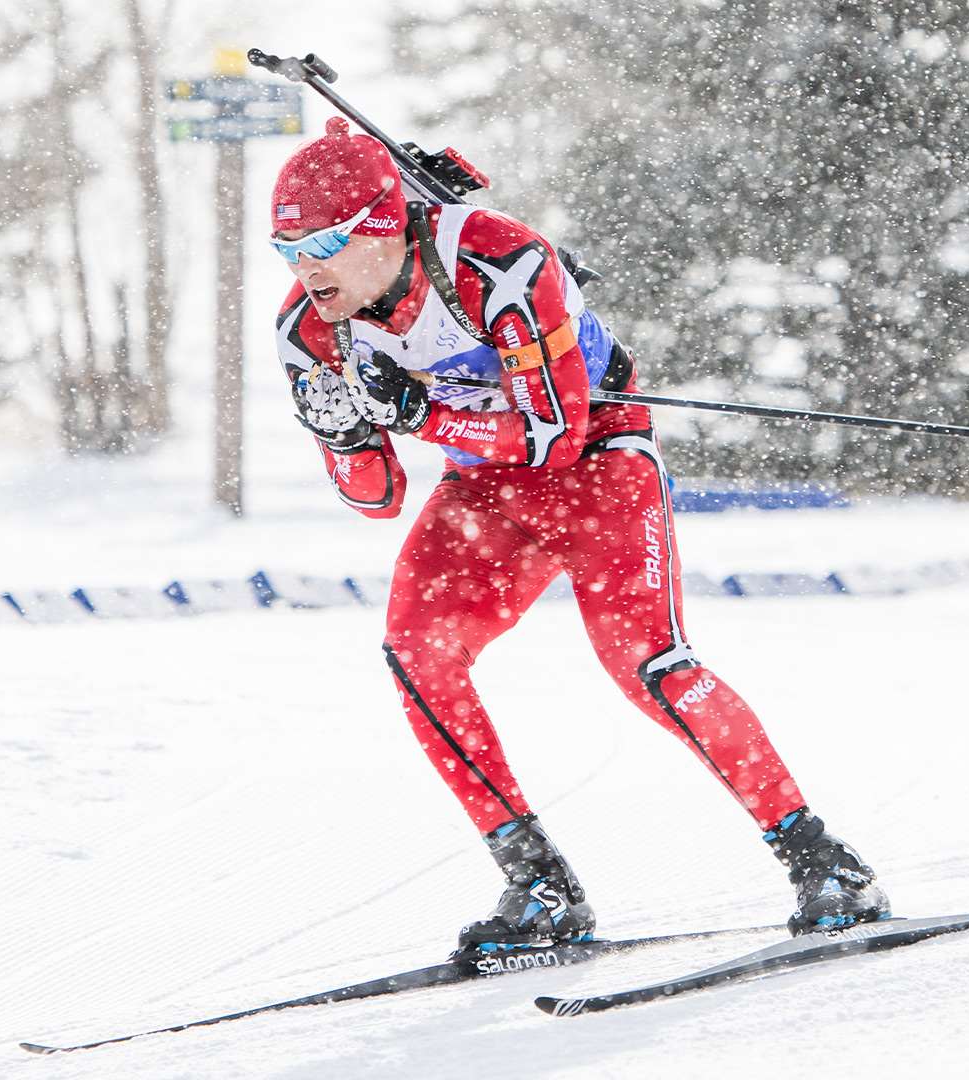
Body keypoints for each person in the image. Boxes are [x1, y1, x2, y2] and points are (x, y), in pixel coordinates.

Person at [270, 117, 889, 955]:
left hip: (599, 462)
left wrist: (420, 411)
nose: (307, 268)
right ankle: (539, 885)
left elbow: (553, 435)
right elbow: (375, 498)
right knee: (418, 651)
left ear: (382, 226)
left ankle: (823, 860)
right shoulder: (310, 331)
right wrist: (343, 434)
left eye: (325, 243)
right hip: (484, 490)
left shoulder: (498, 261)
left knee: (649, 665)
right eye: (287, 249)